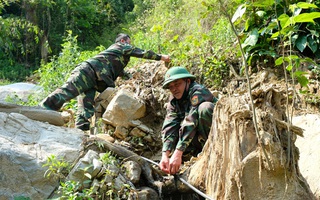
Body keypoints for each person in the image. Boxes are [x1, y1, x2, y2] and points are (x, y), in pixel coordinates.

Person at [40, 33, 170, 131]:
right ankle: (42, 110)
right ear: (123, 41)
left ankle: (81, 133)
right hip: (88, 72)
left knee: (86, 109)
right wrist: (161, 57)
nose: (130, 45)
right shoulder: (121, 46)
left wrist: (131, 77)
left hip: (94, 79)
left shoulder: (116, 56)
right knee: (67, 92)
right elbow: (141, 53)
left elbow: (119, 72)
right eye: (129, 42)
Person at [159, 66, 217, 175]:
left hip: (216, 136)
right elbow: (169, 125)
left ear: (188, 81)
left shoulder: (198, 91)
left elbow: (191, 120)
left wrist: (178, 152)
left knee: (205, 108)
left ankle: (213, 154)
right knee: (176, 129)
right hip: (195, 140)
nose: (174, 89)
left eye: (177, 84)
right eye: (171, 87)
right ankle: (195, 156)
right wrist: (165, 155)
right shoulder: (173, 101)